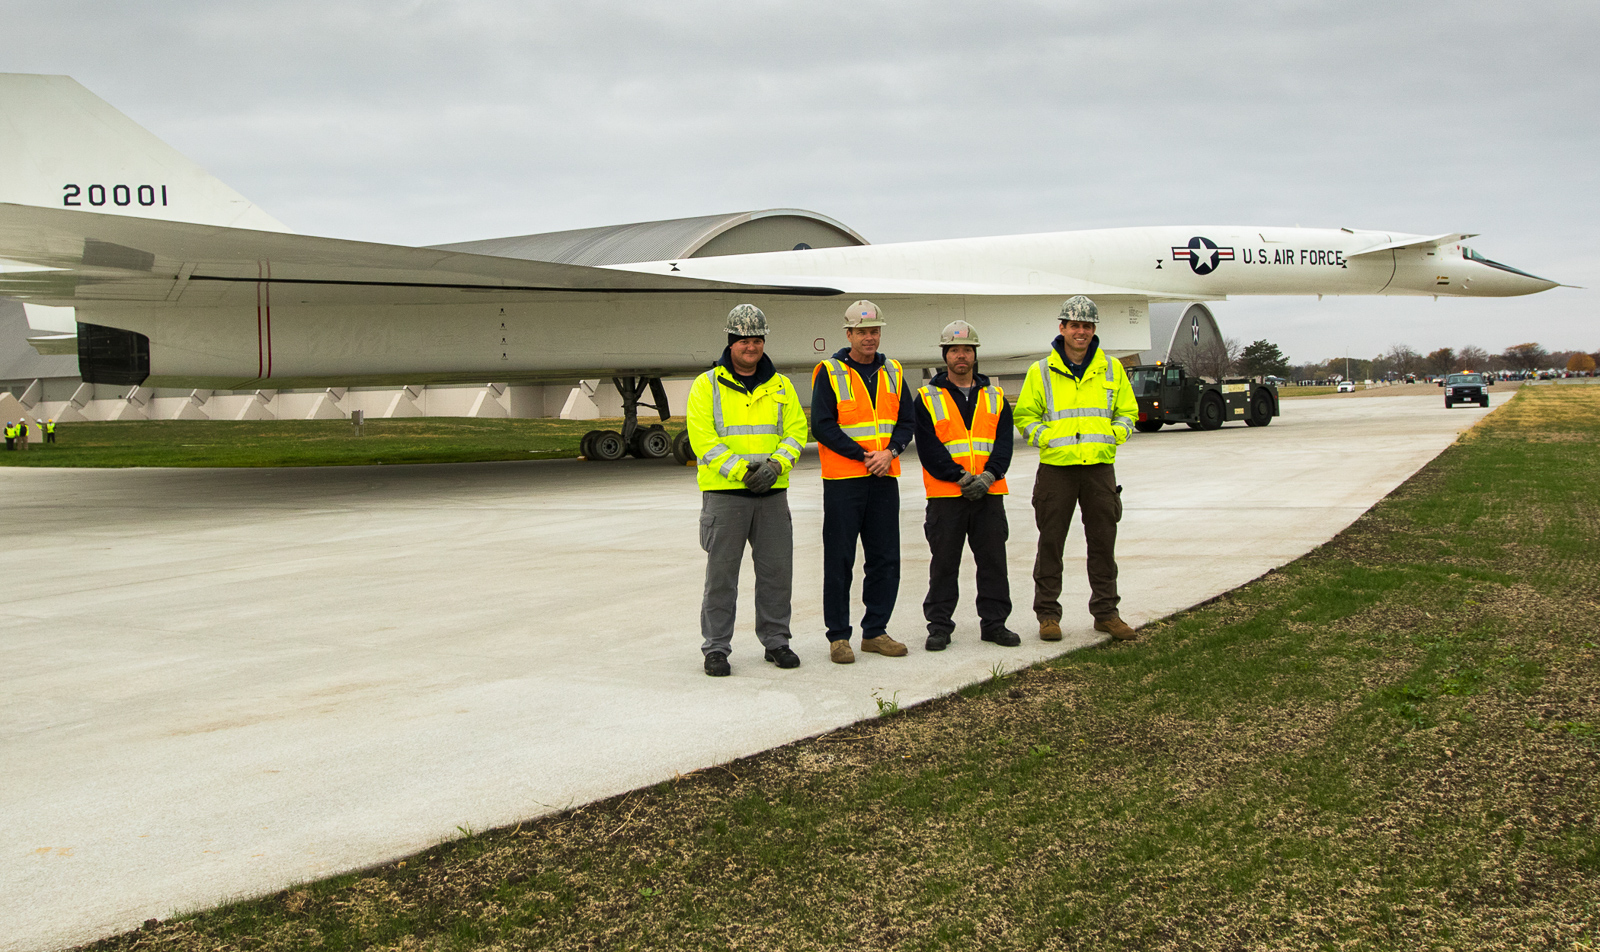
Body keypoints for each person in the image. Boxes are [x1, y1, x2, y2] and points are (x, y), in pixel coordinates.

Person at [685, 304, 809, 677]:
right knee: (721, 577)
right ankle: (716, 649)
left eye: (756, 339)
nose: (750, 347)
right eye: (743, 340)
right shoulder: (706, 386)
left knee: (776, 573)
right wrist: (743, 472)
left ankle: (776, 641)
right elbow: (703, 440)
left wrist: (775, 466)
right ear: (731, 341)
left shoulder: (782, 386)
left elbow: (797, 432)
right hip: (726, 497)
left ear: (763, 340)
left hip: (772, 496)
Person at [1013, 295, 1141, 643]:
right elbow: (1024, 415)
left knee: (1103, 542)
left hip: (1100, 469)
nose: (1080, 332)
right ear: (1062, 328)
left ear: (1093, 329)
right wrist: (1048, 439)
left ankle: (1106, 613)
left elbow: (1128, 412)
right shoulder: (1041, 371)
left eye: (1086, 326)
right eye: (1074, 325)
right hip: (1057, 469)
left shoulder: (1112, 369)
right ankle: (1048, 615)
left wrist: (1115, 435)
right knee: (1051, 543)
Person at [811, 300, 916, 664]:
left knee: (885, 559)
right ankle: (839, 637)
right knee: (839, 560)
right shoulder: (830, 371)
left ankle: (875, 631)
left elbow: (907, 421)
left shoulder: (894, 371)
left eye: (874, 331)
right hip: (844, 481)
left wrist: (891, 452)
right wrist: (864, 455)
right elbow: (822, 426)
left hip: (884, 477)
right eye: (862, 332)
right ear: (849, 334)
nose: (869, 338)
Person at [912, 320, 1020, 651]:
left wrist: (988, 477)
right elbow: (929, 449)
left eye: (967, 350)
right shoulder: (927, 398)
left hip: (989, 494)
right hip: (947, 496)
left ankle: (995, 623)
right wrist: (959, 477)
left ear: (975, 355)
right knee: (944, 564)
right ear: (945, 355)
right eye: (955, 350)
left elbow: (1003, 444)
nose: (962, 356)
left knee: (993, 562)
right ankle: (940, 626)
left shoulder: (995, 396)